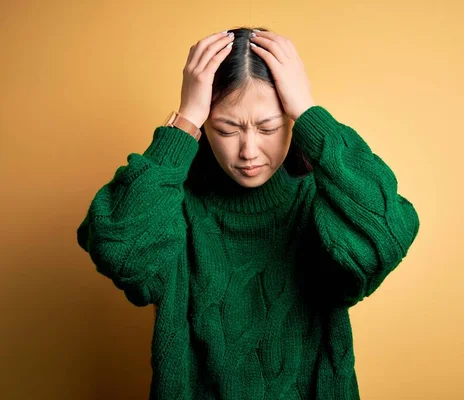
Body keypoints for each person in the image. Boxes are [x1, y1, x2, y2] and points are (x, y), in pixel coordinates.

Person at [76, 26, 420, 400]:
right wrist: (185, 119)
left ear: (290, 120)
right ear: (206, 127)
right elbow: (118, 248)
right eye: (226, 130)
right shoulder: (175, 207)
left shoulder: (323, 203)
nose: (249, 152)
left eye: (269, 127)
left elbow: (386, 236)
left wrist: (309, 111)